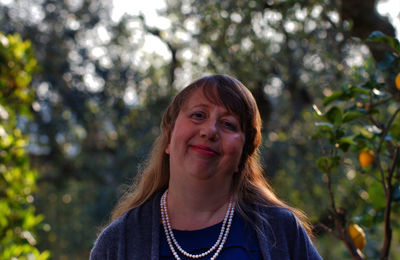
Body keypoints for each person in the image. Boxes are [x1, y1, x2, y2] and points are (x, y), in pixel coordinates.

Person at [90, 74, 322, 259]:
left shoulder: (280, 231)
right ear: (169, 137)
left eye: (228, 124)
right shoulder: (119, 242)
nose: (210, 131)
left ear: (243, 155)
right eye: (198, 115)